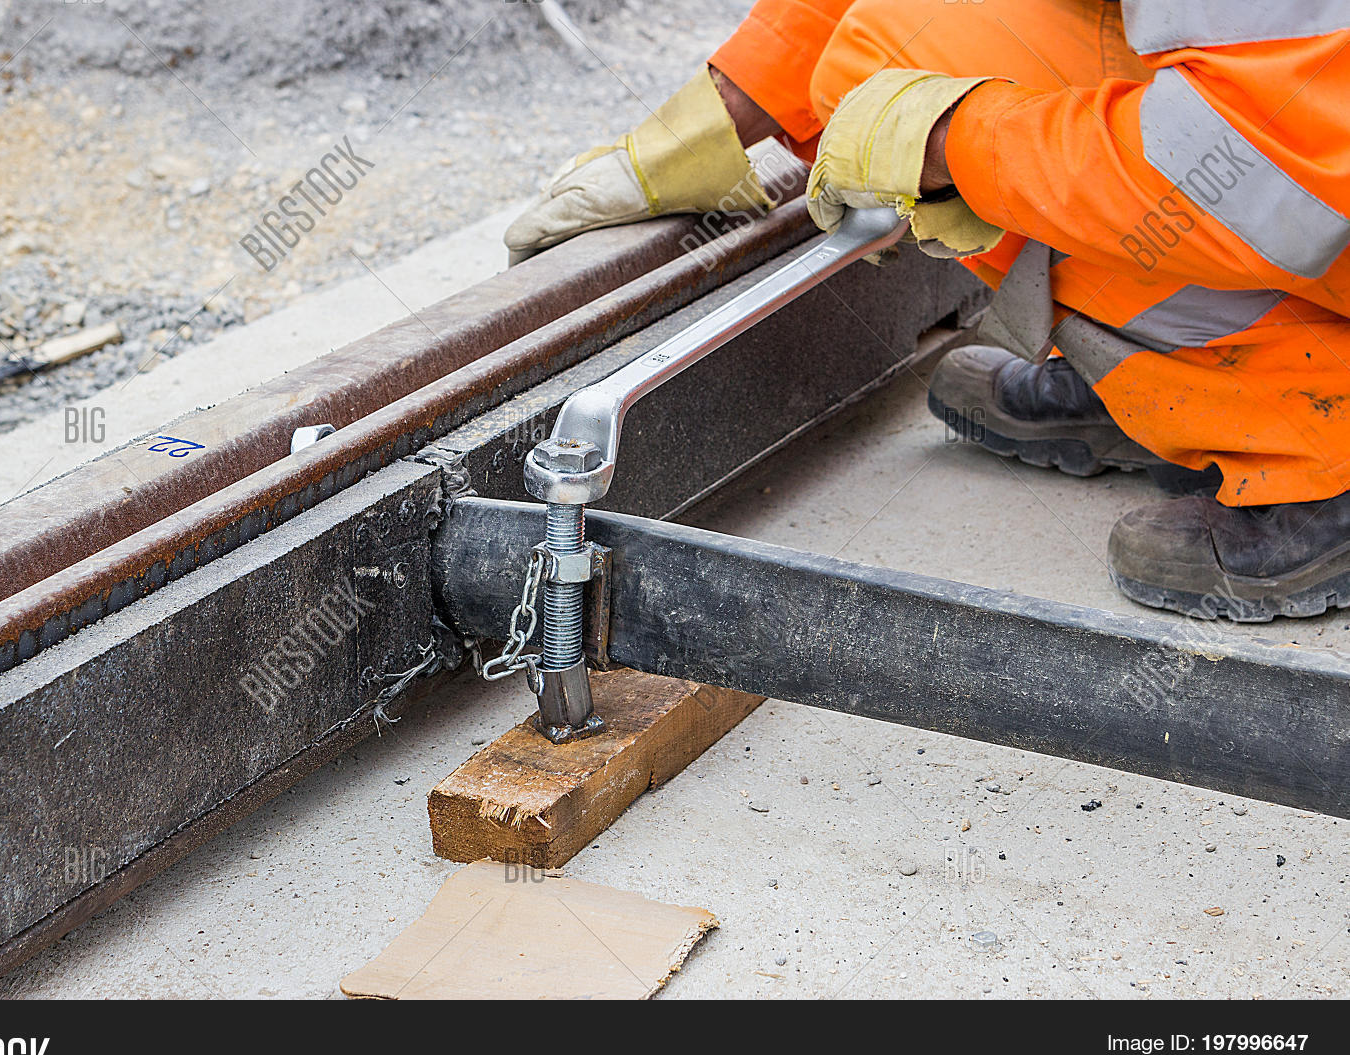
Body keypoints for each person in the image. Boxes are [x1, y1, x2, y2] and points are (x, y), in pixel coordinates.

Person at [505, 1, 1350, 623]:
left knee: (907, 85)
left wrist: (953, 142)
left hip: (1301, 152)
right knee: (894, 50)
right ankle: (1170, 374)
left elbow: (1270, 163)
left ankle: (1314, 437)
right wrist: (719, 118)